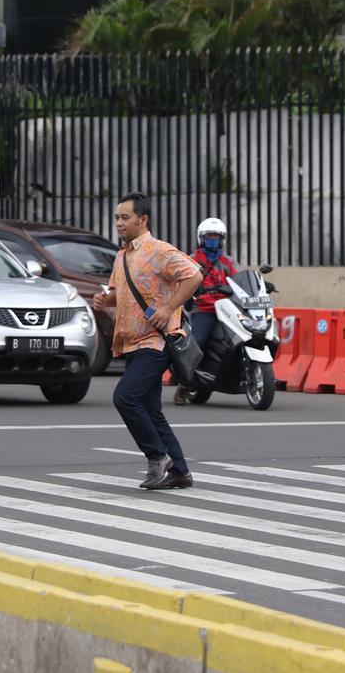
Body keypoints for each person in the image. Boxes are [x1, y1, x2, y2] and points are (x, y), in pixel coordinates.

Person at [93, 193, 202, 490]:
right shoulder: (122, 255)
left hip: (155, 342)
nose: (118, 223)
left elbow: (194, 276)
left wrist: (168, 309)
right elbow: (120, 290)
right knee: (151, 410)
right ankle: (180, 471)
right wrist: (106, 298)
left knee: (125, 398)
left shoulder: (159, 251)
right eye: (116, 217)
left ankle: (158, 457)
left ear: (143, 220)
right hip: (131, 341)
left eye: (124, 217)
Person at [174, 217, 238, 406]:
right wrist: (195, 290)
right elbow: (183, 280)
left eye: (216, 236)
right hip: (204, 308)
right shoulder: (193, 260)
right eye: (209, 236)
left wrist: (259, 282)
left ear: (222, 239)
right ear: (201, 238)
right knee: (198, 343)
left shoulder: (227, 261)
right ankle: (184, 384)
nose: (213, 240)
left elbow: (240, 277)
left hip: (227, 308)